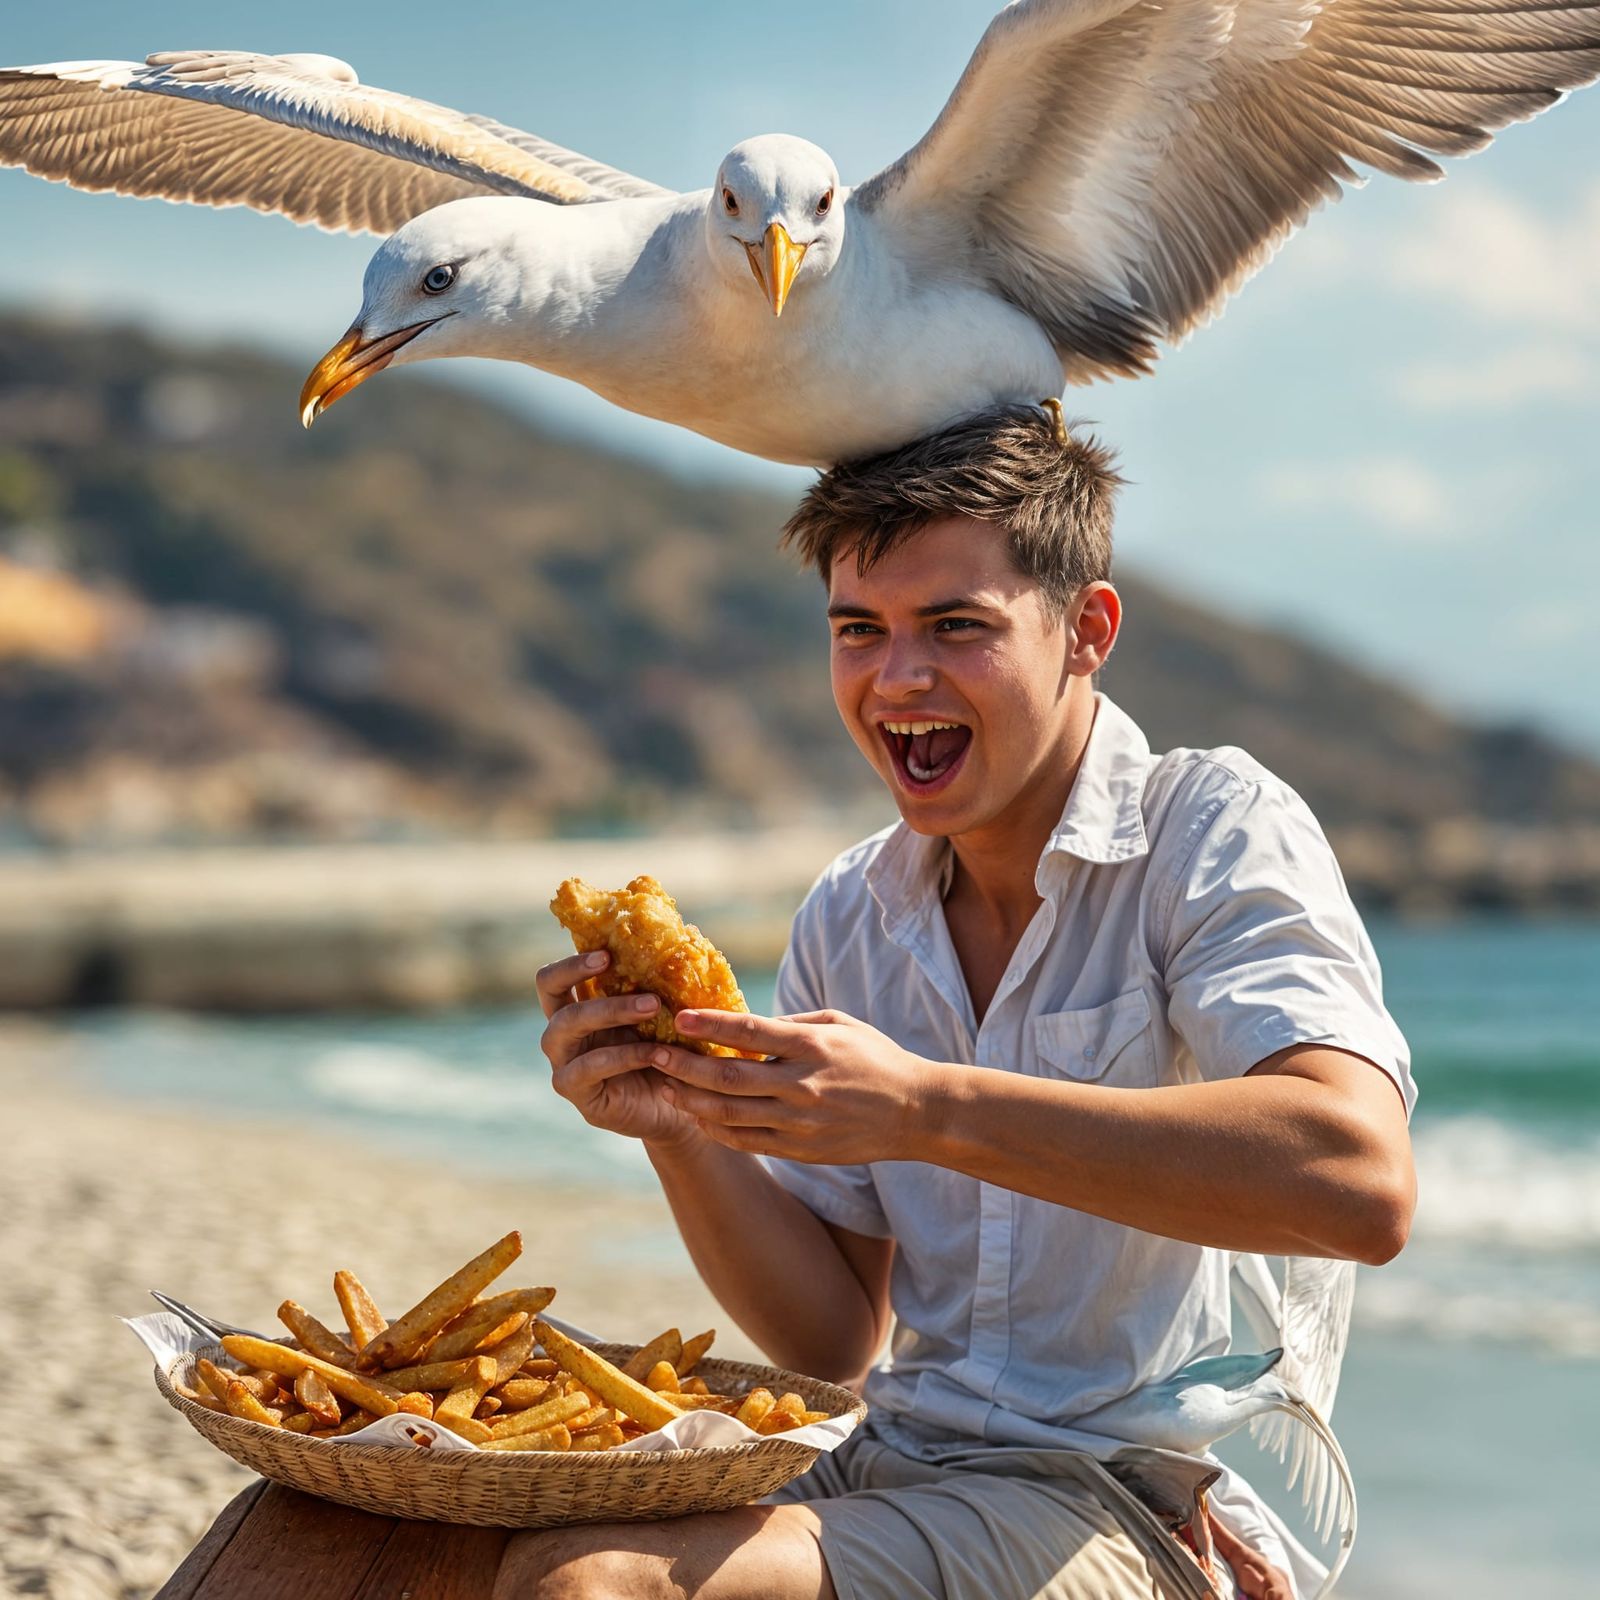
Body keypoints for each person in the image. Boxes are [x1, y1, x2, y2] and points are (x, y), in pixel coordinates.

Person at [513, 406, 1417, 1600]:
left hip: (1138, 1503)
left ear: (1085, 630)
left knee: (595, 1583)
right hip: (894, 1456)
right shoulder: (851, 908)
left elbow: (1358, 1180)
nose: (897, 679)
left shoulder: (1209, 829)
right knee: (394, 1536)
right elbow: (834, 1337)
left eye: (955, 626)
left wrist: (923, 1107)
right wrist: (678, 1128)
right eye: (858, 630)